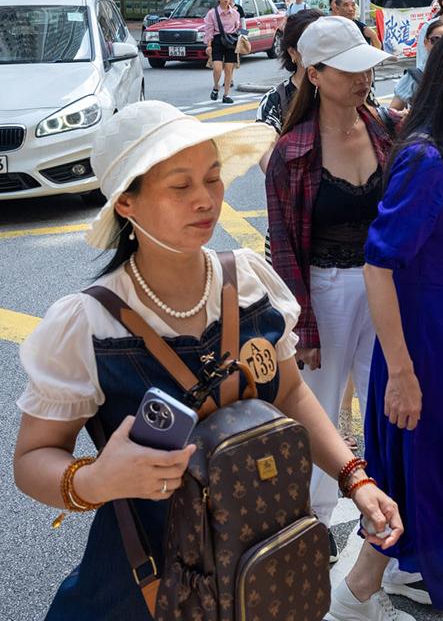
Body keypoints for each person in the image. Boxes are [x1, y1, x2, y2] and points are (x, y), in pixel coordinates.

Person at [11, 100, 402, 619]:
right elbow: (32, 458)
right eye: (180, 186)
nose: (207, 199)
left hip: (262, 560)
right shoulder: (88, 324)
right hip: (149, 580)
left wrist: (355, 478)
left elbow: (289, 393)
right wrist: (95, 481)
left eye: (213, 178)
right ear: (126, 203)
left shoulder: (250, 281)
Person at [330, 22, 443, 621]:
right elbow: (378, 267)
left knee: (413, 484)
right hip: (423, 354)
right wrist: (404, 373)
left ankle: (350, 598)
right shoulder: (427, 159)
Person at [264, 15, 398, 566]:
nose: (363, 79)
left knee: (387, 410)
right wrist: (303, 326)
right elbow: (282, 248)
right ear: (314, 74)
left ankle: (390, 541)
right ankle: (310, 536)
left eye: (366, 68)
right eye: (348, 71)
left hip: (384, 288)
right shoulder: (291, 152)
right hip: (324, 291)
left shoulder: (385, 128)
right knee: (317, 413)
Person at [256, 8, 323, 172]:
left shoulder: (345, 88)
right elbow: (267, 155)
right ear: (292, 52)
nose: (323, 48)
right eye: (312, 42)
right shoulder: (275, 100)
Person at [391, 17, 443, 112]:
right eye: (435, 40)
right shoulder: (415, 76)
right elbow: (393, 111)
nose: (441, 45)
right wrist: (406, 115)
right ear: (425, 43)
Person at [202, 0, 241, 104]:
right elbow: (209, 30)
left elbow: (238, 28)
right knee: (217, 68)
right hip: (218, 41)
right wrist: (209, 45)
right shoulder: (212, 13)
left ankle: (226, 94)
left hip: (231, 41)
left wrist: (242, 39)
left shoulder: (235, 13)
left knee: (229, 70)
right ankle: (216, 86)